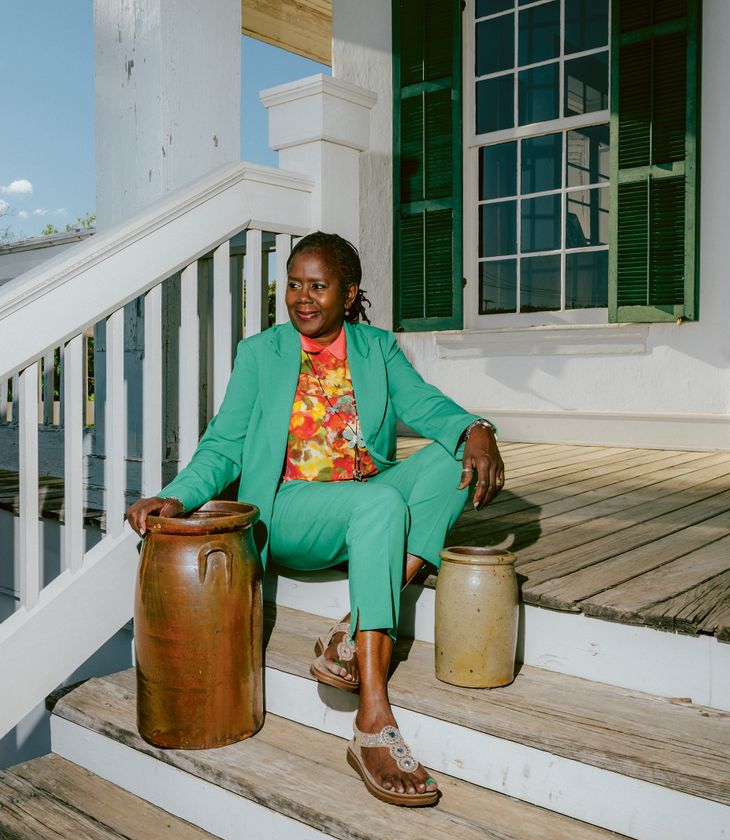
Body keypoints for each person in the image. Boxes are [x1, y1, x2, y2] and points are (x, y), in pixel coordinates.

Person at [126, 232, 505, 807]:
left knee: (454, 456)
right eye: (294, 285)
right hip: (290, 511)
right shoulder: (262, 354)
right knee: (379, 502)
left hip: (364, 500)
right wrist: (176, 495)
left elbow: (425, 404)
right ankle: (372, 719)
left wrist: (478, 429)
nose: (303, 298)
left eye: (318, 286)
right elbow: (225, 445)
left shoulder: (377, 348)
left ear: (349, 294)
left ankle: (354, 633)